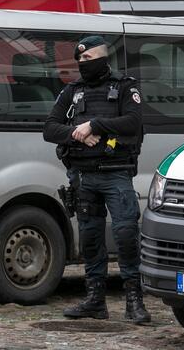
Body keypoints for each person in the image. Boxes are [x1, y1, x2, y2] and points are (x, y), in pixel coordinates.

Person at [43, 35, 150, 324]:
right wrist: (77, 131)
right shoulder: (73, 91)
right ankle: (95, 300)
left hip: (116, 173)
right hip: (83, 176)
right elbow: (50, 128)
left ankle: (134, 301)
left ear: (103, 58)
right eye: (79, 60)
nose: (82, 64)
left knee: (126, 234)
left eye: (88, 59)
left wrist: (96, 124)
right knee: (90, 238)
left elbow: (132, 122)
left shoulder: (125, 87)